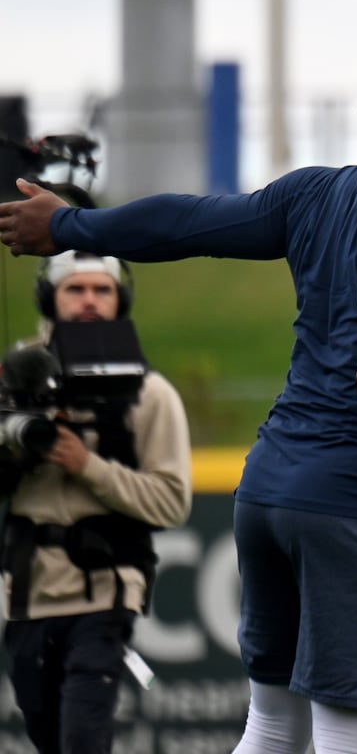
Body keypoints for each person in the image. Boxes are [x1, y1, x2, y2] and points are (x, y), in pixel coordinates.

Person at [0, 16, 357, 754]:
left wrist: (70, 228)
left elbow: (187, 221)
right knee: (351, 732)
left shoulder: (317, 193)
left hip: (273, 490)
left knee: (275, 725)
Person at [0, 250, 191, 754]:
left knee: (84, 740)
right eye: (75, 289)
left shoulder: (151, 395)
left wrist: (87, 465)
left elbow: (172, 502)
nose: (89, 301)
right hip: (26, 596)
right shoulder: (10, 382)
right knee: (46, 738)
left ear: (120, 299)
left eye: (101, 290)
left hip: (104, 595)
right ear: (50, 297)